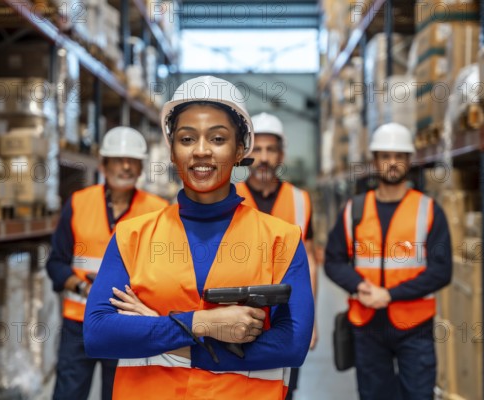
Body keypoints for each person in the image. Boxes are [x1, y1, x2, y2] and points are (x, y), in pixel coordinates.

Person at [83, 76, 315, 400]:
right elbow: (98, 334)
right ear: (173, 151)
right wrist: (201, 323)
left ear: (239, 150)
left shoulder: (282, 240)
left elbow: (292, 345)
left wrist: (166, 334)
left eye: (218, 139)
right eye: (187, 138)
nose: (201, 151)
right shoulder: (131, 237)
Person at [324, 123, 452, 400]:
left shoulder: (427, 210)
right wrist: (359, 286)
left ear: (408, 161)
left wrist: (390, 294)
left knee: (419, 395)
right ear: (375, 161)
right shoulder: (354, 211)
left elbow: (441, 271)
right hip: (367, 325)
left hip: (415, 328)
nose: (392, 163)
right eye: (385, 156)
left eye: (399, 156)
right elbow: (332, 261)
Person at [46, 127, 168, 400]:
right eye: (117, 159)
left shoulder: (158, 211)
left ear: (141, 167)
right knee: (68, 393)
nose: (125, 167)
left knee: (121, 394)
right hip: (79, 323)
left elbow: (165, 272)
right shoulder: (79, 203)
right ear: (103, 164)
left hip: (128, 325)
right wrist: (81, 286)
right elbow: (56, 263)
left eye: (132, 161)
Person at [234, 112, 317, 400]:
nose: (264, 158)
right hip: (237, 316)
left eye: (271, 150)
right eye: (257, 149)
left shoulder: (300, 200)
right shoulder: (229, 197)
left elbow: (309, 259)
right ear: (245, 153)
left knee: (283, 390)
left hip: (287, 317)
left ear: (281, 155)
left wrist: (312, 319)